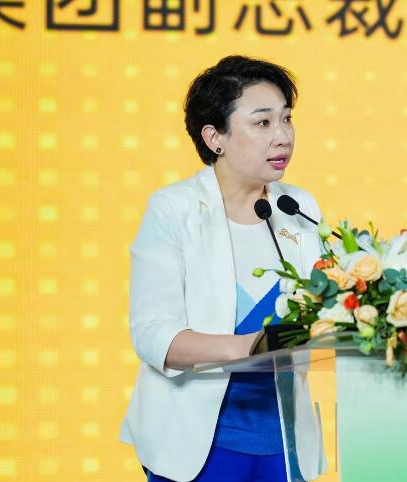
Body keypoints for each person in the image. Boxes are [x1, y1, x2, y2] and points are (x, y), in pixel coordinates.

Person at [119, 55, 327, 482]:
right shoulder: (174, 209)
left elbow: (324, 313)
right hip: (197, 444)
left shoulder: (298, 207)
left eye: (287, 119)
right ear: (215, 137)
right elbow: (153, 334)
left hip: (285, 441)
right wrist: (249, 347)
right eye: (263, 122)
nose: (283, 136)